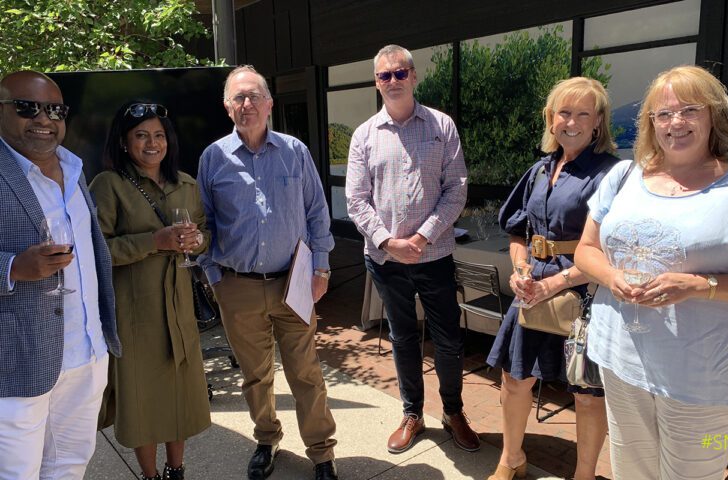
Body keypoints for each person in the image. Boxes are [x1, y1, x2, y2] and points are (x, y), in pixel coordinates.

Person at [575, 65, 728, 480]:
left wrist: (700, 285)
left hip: (703, 375)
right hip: (622, 359)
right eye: (662, 114)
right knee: (631, 469)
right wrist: (612, 278)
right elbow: (586, 250)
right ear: (650, 123)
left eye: (689, 110)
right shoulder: (624, 175)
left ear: (714, 115)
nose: (675, 123)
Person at [197, 65, 339, 480]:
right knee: (255, 375)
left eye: (254, 96)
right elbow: (204, 223)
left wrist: (322, 268)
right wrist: (213, 276)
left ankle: (322, 452)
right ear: (227, 107)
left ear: (270, 104)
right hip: (237, 286)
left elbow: (316, 212)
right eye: (238, 98)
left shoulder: (294, 151)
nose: (247, 105)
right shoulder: (213, 158)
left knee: (306, 373)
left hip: (293, 281)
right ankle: (266, 437)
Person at [346, 44, 480, 454]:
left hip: (433, 256)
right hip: (385, 261)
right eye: (385, 75)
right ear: (376, 82)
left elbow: (456, 189)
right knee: (403, 338)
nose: (393, 81)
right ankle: (413, 414)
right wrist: (388, 242)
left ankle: (454, 411)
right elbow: (356, 199)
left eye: (400, 73)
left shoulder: (441, 126)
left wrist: (421, 238)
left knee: (448, 340)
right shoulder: (364, 136)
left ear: (414, 76)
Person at [485, 77, 618, 480]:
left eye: (583, 114)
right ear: (550, 118)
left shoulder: (611, 174)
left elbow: (611, 251)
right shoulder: (540, 169)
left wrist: (554, 284)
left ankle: (584, 475)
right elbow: (517, 232)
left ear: (598, 122)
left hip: (585, 296)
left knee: (588, 394)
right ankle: (511, 459)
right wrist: (521, 271)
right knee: (514, 377)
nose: (572, 122)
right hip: (533, 289)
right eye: (564, 112)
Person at [0, 70, 121, 478]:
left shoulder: (73, 168)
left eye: (55, 109)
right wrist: (13, 267)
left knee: (70, 465)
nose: (44, 119)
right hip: (18, 358)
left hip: (86, 351)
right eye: (27, 107)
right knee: (17, 472)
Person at [89, 101, 211, 480]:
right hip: (134, 311)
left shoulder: (186, 184)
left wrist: (196, 242)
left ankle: (176, 470)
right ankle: (150, 475)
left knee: (179, 395)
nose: (151, 143)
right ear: (125, 143)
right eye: (141, 135)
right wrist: (153, 242)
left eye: (158, 135)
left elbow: (204, 234)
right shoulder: (108, 185)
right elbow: (98, 250)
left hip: (179, 307)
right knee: (144, 400)